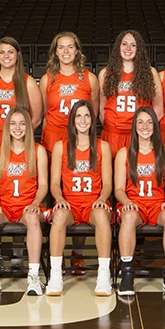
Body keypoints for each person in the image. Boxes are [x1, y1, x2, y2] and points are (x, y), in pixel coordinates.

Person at [45, 101, 114, 296]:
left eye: (87, 116)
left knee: (101, 216)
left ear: (92, 120)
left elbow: (108, 183)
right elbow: (54, 184)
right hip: (70, 204)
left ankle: (103, 274)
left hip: (93, 203)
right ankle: (56, 274)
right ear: (72, 120)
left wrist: (101, 198)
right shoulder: (61, 147)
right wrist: (59, 199)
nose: (83, 120)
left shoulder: (103, 147)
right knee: (58, 217)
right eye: (78, 116)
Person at [0, 107, 49, 296]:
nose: (17, 128)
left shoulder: (38, 151)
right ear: (7, 127)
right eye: (13, 123)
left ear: (28, 126)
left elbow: (43, 185)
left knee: (34, 219)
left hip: (28, 206)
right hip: (4, 206)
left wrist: (35, 203)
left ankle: (34, 276)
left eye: (22, 123)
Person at [114, 107, 165, 296]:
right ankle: (127, 273)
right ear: (134, 126)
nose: (145, 126)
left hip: (157, 204)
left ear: (155, 126)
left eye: (149, 122)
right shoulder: (124, 154)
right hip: (134, 204)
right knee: (127, 218)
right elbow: (118, 189)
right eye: (140, 122)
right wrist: (126, 201)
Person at [99, 30, 163, 154]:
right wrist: (112, 125)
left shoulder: (150, 73)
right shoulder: (105, 74)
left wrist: (143, 130)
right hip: (113, 134)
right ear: (118, 47)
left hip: (138, 135)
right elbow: (102, 107)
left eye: (133, 45)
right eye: (124, 44)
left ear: (139, 49)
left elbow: (158, 109)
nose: (128, 48)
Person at [0, 37, 43, 155]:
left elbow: (37, 118)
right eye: (2, 52)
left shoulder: (29, 82)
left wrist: (20, 136)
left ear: (18, 55)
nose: (6, 56)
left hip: (20, 140)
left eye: (10, 52)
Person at [39, 31, 100, 155]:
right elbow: (45, 112)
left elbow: (93, 112)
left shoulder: (90, 78)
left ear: (77, 50)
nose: (65, 51)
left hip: (80, 135)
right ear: (56, 52)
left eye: (70, 47)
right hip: (53, 135)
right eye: (61, 47)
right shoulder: (47, 79)